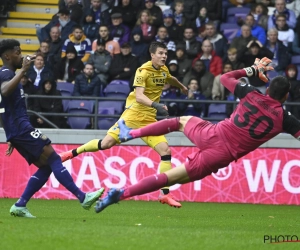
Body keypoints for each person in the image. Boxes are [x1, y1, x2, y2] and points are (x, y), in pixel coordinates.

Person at [93, 57, 300, 213]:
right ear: (286, 96)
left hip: (212, 133)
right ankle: (122, 194)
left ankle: (132, 132)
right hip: (220, 154)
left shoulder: (251, 93)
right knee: (169, 178)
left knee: (180, 121)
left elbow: (225, 77)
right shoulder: (285, 118)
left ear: (267, 88)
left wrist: (253, 69)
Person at [59, 41, 188, 208]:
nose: (164, 56)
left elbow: (170, 78)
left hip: (149, 120)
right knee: (105, 144)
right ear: (152, 55)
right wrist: (157, 106)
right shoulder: (142, 71)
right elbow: (140, 96)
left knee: (165, 151)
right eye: (161, 53)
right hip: (132, 116)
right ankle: (72, 153)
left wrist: (182, 87)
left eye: (165, 53)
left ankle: (164, 194)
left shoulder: (163, 69)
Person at [0, 39, 104, 218]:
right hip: (20, 127)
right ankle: (82, 197)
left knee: (48, 165)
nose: (21, 55)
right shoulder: (6, 73)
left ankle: (20, 204)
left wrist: (11, 136)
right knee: (54, 158)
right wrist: (24, 70)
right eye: (18, 52)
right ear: (8, 55)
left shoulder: (8, 73)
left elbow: (4, 105)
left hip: (17, 129)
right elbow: (4, 91)